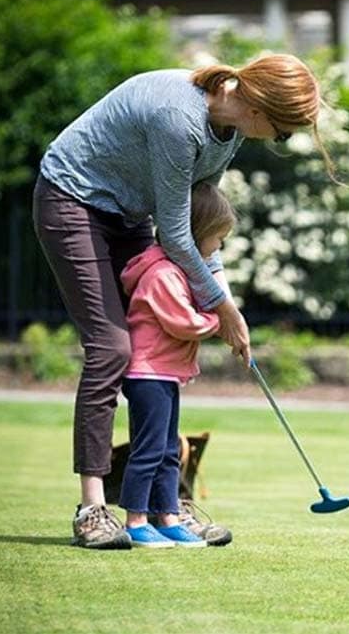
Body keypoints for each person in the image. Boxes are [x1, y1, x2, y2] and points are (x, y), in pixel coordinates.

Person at [32, 53, 333, 549]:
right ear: (259, 109)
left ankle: (162, 507)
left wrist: (225, 301)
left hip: (126, 213)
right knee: (112, 349)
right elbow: (174, 235)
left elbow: (200, 227)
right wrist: (223, 309)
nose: (277, 142)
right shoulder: (180, 119)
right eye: (282, 133)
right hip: (73, 199)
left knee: (155, 353)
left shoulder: (229, 133)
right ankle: (93, 509)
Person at [118, 183, 235, 548]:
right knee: (149, 449)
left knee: (169, 450)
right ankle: (136, 521)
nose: (219, 247)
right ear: (196, 233)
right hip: (147, 372)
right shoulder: (163, 275)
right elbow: (182, 322)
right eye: (218, 238)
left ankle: (167, 516)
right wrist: (219, 320)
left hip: (164, 372)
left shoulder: (176, 272)